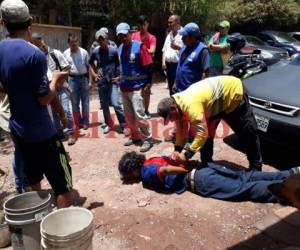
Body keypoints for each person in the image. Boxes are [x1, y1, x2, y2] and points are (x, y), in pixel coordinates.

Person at [0, 0, 72, 208]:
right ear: (30, 21)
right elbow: (43, 99)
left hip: (19, 129)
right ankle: (61, 233)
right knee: (62, 186)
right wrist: (56, 80)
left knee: (33, 180)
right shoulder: (34, 55)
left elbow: (3, 87)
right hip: (42, 132)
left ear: (3, 22)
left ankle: (37, 221)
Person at [157, 75, 262, 171]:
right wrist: (177, 150)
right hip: (212, 103)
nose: (171, 120)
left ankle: (256, 167)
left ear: (173, 108)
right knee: (208, 136)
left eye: (170, 117)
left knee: (247, 131)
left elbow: (201, 134)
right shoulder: (178, 107)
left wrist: (187, 155)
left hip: (233, 94)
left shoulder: (191, 106)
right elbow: (181, 132)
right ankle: (206, 163)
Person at [118, 151, 300, 205]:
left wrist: (181, 172)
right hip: (204, 168)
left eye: (128, 175)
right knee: (246, 176)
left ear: (132, 170)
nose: (131, 178)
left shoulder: (145, 173)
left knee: (243, 188)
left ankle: (289, 191)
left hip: (198, 180)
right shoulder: (151, 158)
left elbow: (164, 171)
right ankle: (290, 173)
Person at [31, 33, 76, 145]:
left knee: (65, 110)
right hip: (48, 90)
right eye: (37, 45)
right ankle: (59, 133)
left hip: (60, 87)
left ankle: (71, 133)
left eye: (41, 44)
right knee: (54, 113)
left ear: (43, 41)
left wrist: (60, 82)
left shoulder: (55, 53)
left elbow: (66, 69)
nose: (41, 47)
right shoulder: (36, 57)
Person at [116, 22, 153, 152]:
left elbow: (149, 66)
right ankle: (135, 136)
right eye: (120, 36)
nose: (123, 38)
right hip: (124, 88)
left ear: (130, 34)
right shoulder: (119, 48)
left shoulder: (139, 47)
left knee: (139, 115)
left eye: (124, 35)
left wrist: (148, 84)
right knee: (129, 116)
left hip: (137, 88)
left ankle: (148, 139)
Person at [89, 28, 126, 134]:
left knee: (116, 103)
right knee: (104, 105)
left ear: (106, 39)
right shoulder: (95, 51)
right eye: (99, 40)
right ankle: (108, 124)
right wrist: (94, 74)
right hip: (102, 82)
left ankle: (123, 123)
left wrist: (118, 76)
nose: (101, 41)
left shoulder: (113, 50)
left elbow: (119, 64)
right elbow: (89, 64)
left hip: (112, 81)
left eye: (103, 39)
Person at [132, 15, 157, 118]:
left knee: (146, 89)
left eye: (144, 24)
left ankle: (146, 110)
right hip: (137, 65)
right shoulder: (133, 36)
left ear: (147, 25)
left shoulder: (152, 37)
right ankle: (138, 110)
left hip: (148, 65)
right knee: (136, 89)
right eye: (140, 24)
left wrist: (141, 48)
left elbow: (152, 51)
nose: (142, 26)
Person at [63, 34, 90, 130]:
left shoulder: (84, 52)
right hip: (72, 79)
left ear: (78, 42)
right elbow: (64, 70)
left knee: (85, 102)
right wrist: (65, 83)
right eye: (71, 42)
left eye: (75, 42)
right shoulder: (65, 54)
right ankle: (78, 122)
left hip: (83, 79)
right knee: (74, 102)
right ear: (68, 43)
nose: (74, 44)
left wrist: (90, 81)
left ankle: (86, 122)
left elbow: (89, 67)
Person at [175, 22, 210, 93]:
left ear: (193, 37)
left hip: (192, 93)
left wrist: (200, 91)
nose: (182, 38)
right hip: (179, 90)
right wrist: (175, 83)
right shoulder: (183, 48)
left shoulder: (202, 50)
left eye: (185, 36)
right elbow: (180, 67)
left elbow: (206, 73)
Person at [162, 15, 183, 96]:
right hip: (169, 66)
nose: (168, 24)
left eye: (171, 22)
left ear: (177, 22)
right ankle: (172, 106)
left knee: (178, 88)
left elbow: (187, 50)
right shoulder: (169, 34)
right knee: (171, 88)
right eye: (168, 22)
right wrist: (163, 62)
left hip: (178, 65)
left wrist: (177, 47)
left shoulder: (184, 34)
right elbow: (164, 49)